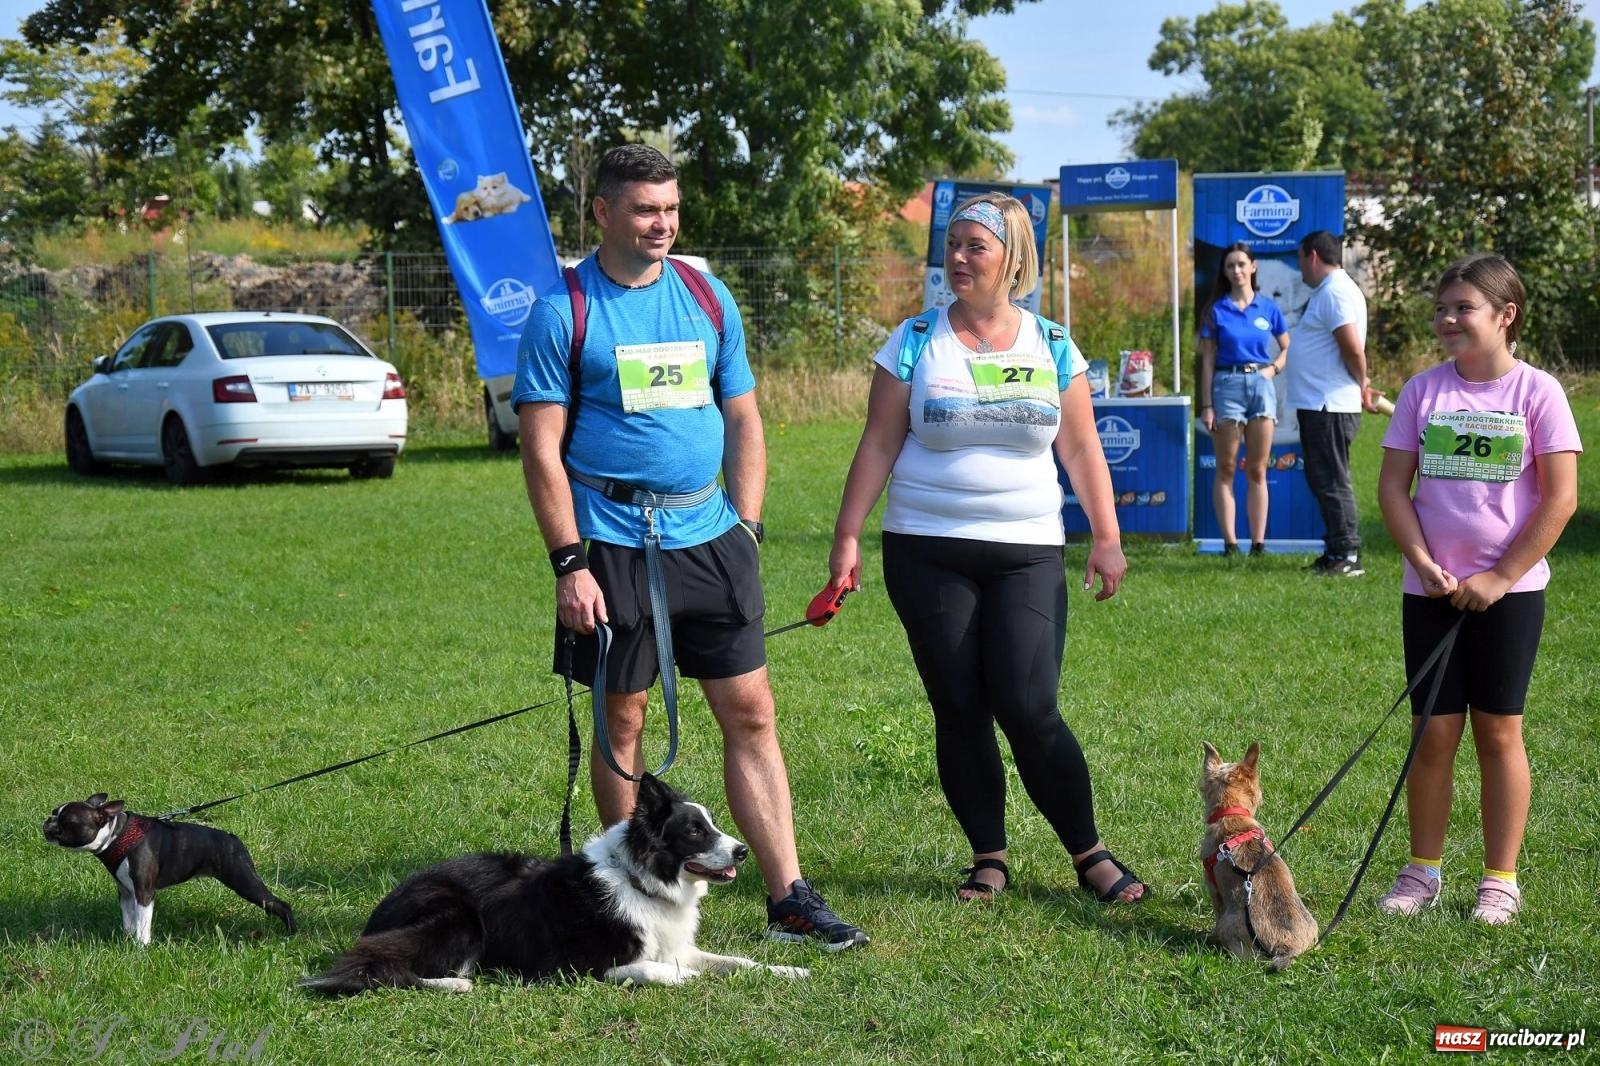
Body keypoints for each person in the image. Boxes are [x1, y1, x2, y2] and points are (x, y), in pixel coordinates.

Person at [512, 143, 868, 949]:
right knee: (623, 720)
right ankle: (627, 903)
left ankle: (790, 899)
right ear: (603, 211)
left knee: (752, 712)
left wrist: (747, 525)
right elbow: (540, 450)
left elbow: (742, 416)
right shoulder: (563, 310)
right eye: (645, 209)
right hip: (610, 544)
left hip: (711, 539)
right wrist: (569, 563)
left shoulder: (707, 296)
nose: (662, 223)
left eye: (671, 208)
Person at [829, 193, 1143, 904]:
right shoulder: (913, 340)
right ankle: (989, 858)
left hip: (1027, 551)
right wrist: (848, 534)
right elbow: (878, 442)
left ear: (1013, 258)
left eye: (976, 246)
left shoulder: (1052, 344)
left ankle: (1090, 853)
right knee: (960, 706)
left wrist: (1107, 537)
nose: (959, 258)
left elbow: (1081, 447)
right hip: (925, 549)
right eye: (953, 244)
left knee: (1030, 705)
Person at [1375, 253, 1581, 925]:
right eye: (1441, 309)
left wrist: (1500, 577)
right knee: (1432, 734)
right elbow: (1392, 488)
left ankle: (1500, 879)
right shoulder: (1421, 392)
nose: (1447, 319)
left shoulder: (1538, 393)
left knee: (1498, 733)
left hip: (1509, 596)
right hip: (1430, 593)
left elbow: (1560, 499)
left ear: (1505, 315)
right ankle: (1422, 870)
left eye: (1463, 307)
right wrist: (1421, 561)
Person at [1285, 230, 1375, 576]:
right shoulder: (1329, 291)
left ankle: (1347, 554)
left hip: (1329, 405)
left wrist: (1362, 382)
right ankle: (1336, 550)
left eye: (1300, 259)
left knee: (1333, 480)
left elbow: (1351, 346)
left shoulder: (1335, 291)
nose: (1299, 268)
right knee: (1324, 480)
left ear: (1312, 256)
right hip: (1321, 404)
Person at [1197, 242, 1290, 555]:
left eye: (1241, 264)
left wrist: (1273, 370)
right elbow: (1208, 360)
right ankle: (1230, 544)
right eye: (1230, 266)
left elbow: (1286, 346)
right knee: (1226, 468)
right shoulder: (1216, 310)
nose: (1236, 270)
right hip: (1227, 386)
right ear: (1224, 272)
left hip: (1261, 387)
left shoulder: (1268, 308)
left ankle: (1258, 544)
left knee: (1258, 469)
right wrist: (1207, 404)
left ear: (1253, 266)